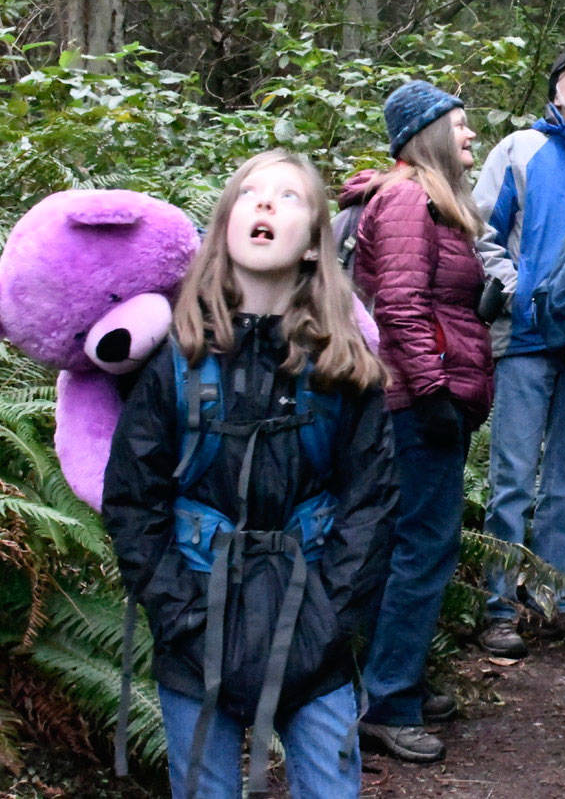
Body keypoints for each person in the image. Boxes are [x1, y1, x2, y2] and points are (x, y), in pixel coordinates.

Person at [101, 149, 397, 798]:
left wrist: (326, 622)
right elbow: (132, 501)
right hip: (196, 615)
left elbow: (370, 504)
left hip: (310, 621)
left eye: (289, 196)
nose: (265, 202)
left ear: (317, 243)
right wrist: (184, 619)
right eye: (250, 193)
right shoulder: (175, 360)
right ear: (223, 228)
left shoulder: (341, 367)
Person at [346, 80, 494, 763]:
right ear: (427, 135)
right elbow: (400, 305)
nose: (471, 137)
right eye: (461, 126)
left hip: (429, 396)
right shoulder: (408, 198)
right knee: (421, 548)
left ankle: (392, 680)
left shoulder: (432, 203)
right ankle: (388, 701)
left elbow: (429, 297)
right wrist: (433, 391)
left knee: (410, 543)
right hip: (415, 403)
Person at [472, 48, 565, 658]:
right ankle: (498, 608)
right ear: (554, 91)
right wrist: (518, 295)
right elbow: (482, 234)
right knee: (512, 479)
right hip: (527, 339)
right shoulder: (519, 150)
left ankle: (556, 598)